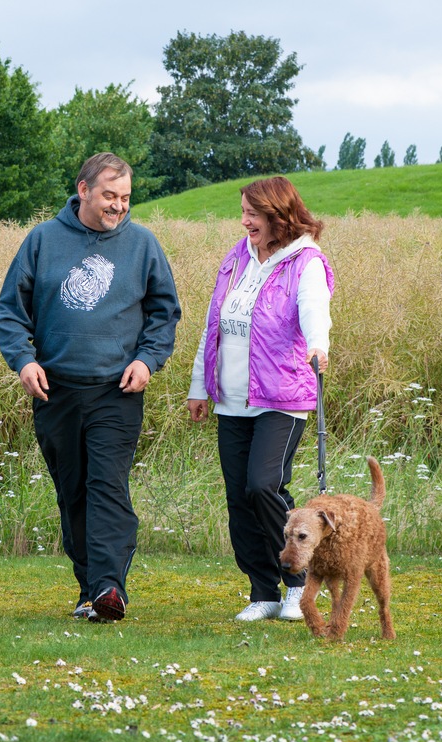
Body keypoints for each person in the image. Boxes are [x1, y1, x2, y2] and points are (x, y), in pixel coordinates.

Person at [0, 152, 180, 623]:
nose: (118, 206)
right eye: (109, 196)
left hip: (117, 390)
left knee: (108, 487)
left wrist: (147, 360)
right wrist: (23, 361)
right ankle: (89, 588)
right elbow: (12, 313)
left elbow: (164, 313)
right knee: (74, 492)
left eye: (125, 198)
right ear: (83, 190)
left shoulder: (143, 245)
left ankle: (109, 588)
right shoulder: (42, 240)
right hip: (55, 391)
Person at [186, 176, 334, 622]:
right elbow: (214, 325)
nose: (245, 220)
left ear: (278, 215)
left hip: (282, 396)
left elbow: (314, 308)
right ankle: (262, 593)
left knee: (263, 485)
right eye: (244, 211)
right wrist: (200, 386)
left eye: (253, 212)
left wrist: (318, 344)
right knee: (238, 496)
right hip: (231, 397)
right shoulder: (237, 258)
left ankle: (297, 583)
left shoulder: (304, 261)